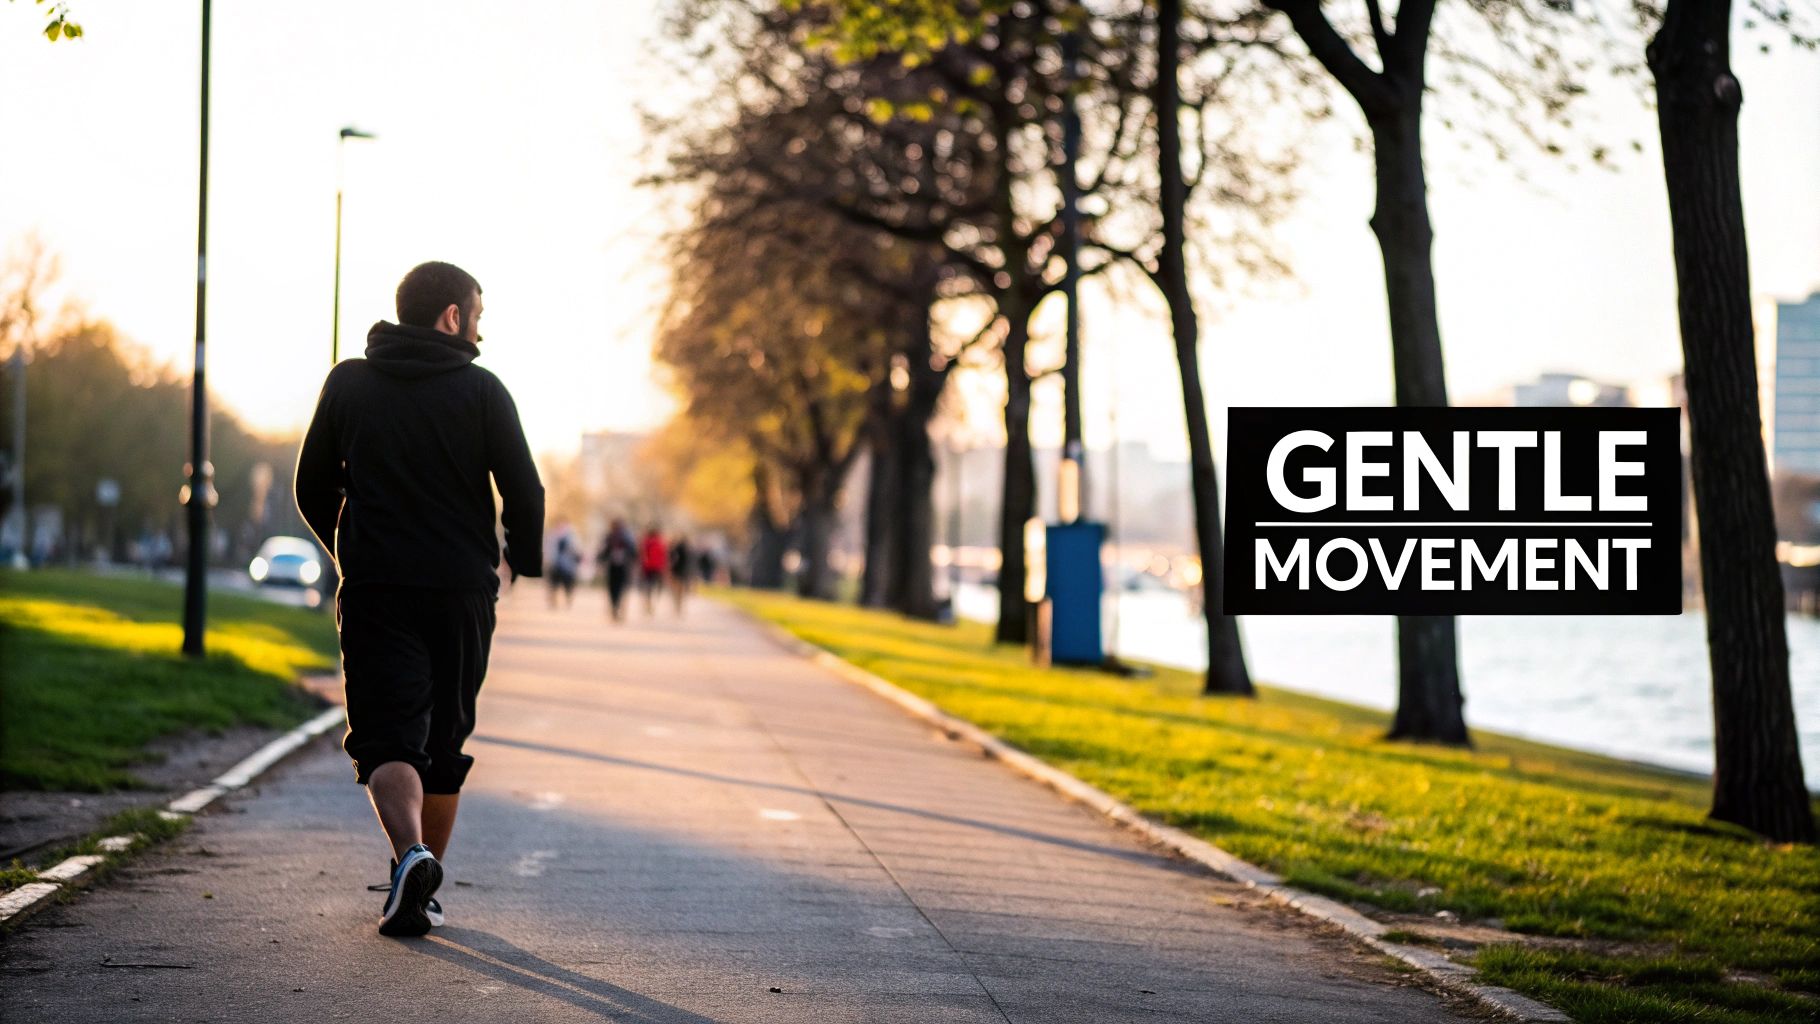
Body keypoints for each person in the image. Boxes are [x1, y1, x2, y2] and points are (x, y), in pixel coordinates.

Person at [295, 260, 544, 938]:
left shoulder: (349, 382)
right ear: (453, 317)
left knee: (387, 736)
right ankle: (423, 887)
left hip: (377, 588)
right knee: (443, 741)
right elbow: (525, 489)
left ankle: (411, 857)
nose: (481, 331)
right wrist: (524, 556)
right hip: (462, 592)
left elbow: (310, 484)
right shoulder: (483, 390)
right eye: (479, 316)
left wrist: (347, 548)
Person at [596, 518, 636, 622]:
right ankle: (615, 608)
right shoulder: (610, 537)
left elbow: (633, 552)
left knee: (618, 589)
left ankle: (617, 608)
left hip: (621, 567)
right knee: (614, 589)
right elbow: (603, 551)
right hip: (614, 567)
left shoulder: (623, 537)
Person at [547, 521, 580, 609]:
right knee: (553, 584)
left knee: (568, 585)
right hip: (555, 564)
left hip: (567, 566)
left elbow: (576, 550)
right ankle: (553, 600)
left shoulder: (571, 537)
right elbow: (548, 550)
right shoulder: (552, 536)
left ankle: (568, 598)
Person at [639, 524, 668, 617]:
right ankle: (651, 603)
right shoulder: (661, 542)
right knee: (655, 586)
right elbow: (664, 556)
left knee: (648, 586)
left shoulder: (646, 542)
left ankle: (648, 602)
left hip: (647, 568)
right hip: (658, 568)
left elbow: (642, 555)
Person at [668, 534, 694, 616]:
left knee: (676, 590)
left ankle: (677, 606)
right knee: (681, 590)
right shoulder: (689, 550)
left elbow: (672, 560)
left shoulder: (676, 548)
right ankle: (680, 606)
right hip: (685, 572)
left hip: (677, 571)